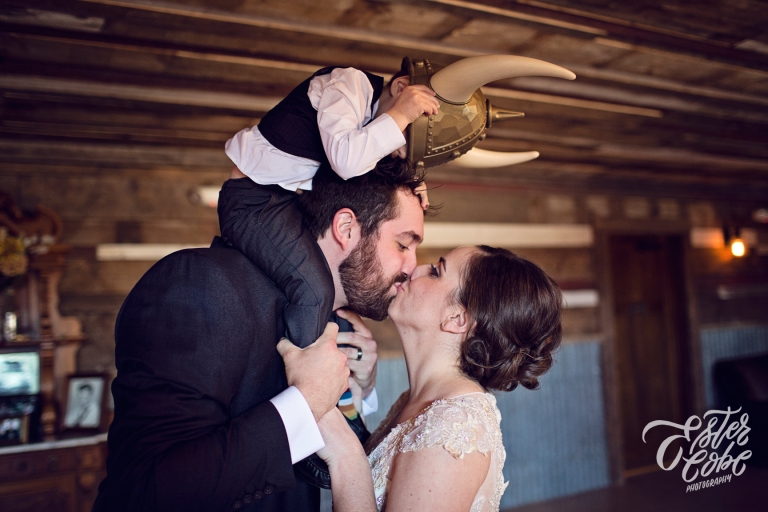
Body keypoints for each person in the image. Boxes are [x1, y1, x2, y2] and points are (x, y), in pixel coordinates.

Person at [92, 163, 426, 512]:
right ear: (345, 228)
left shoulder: (335, 324)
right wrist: (307, 401)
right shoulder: (202, 285)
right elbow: (142, 493)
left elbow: (319, 468)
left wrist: (353, 393)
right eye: (403, 244)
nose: (411, 266)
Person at [310, 245, 563, 511]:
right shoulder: (418, 401)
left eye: (435, 271)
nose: (413, 269)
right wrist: (355, 393)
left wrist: (346, 455)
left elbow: (353, 465)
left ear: (456, 318)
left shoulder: (453, 429)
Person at [220, 63, 437, 349]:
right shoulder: (349, 84)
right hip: (253, 200)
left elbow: (366, 164)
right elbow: (346, 160)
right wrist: (401, 114)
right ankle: (305, 365)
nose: (394, 151)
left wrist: (411, 181)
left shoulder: (365, 122)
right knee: (315, 292)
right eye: (400, 140)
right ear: (400, 88)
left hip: (283, 198)